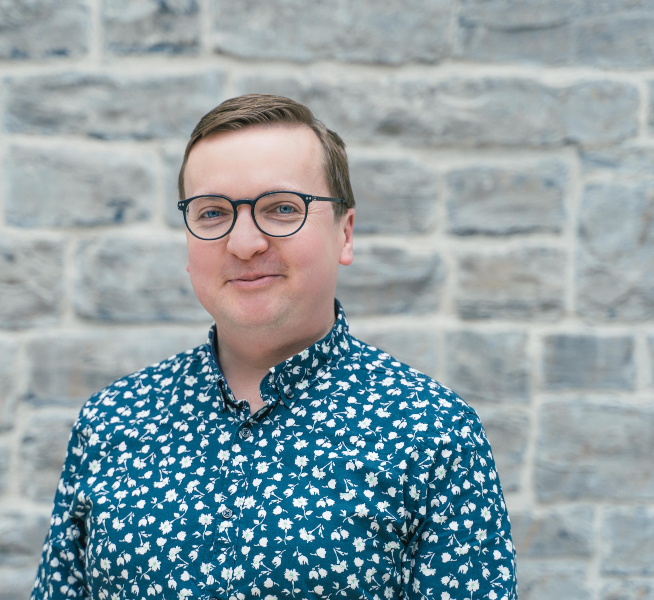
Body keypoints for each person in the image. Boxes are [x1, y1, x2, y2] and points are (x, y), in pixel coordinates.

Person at [30, 94, 517, 600]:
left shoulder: (432, 433)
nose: (244, 243)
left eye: (282, 208)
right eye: (213, 212)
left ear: (344, 233)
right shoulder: (112, 422)